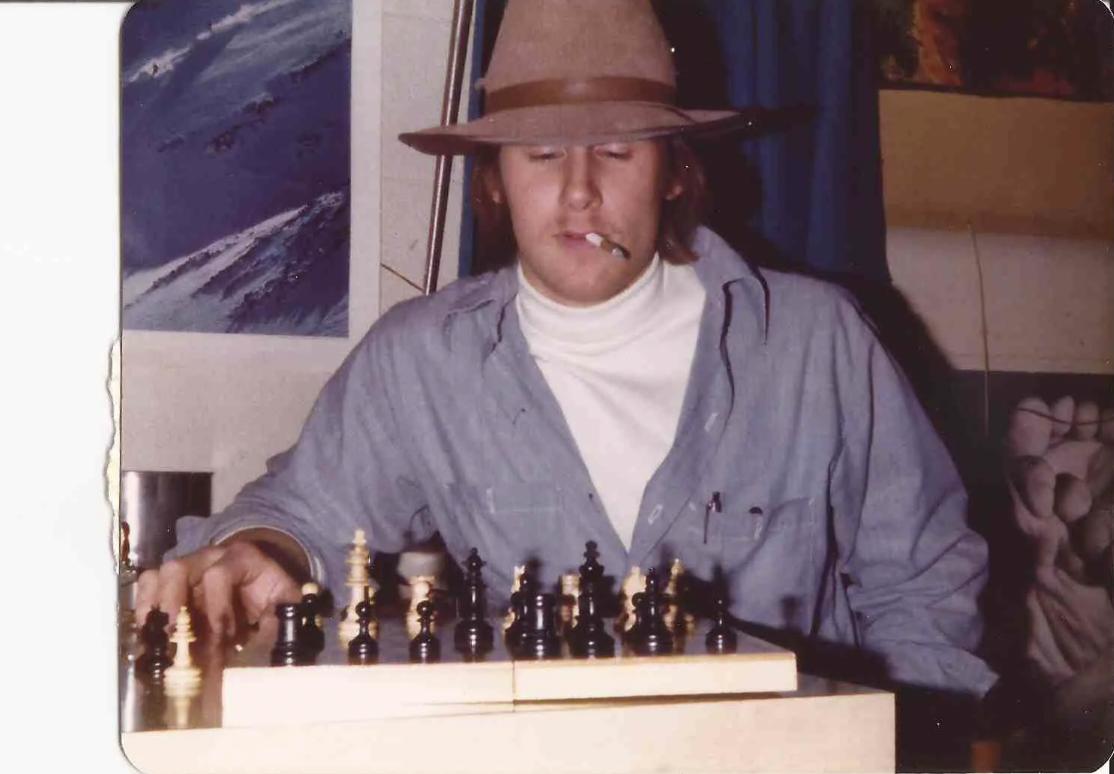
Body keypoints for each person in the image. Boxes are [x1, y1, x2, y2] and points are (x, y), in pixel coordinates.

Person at [135, 0, 997, 701]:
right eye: (543, 154)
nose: (579, 192)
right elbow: (300, 510)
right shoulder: (422, 362)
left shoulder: (818, 341)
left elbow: (925, 580)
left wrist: (896, 742)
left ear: (673, 171)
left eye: (618, 151)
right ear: (495, 181)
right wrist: (259, 550)